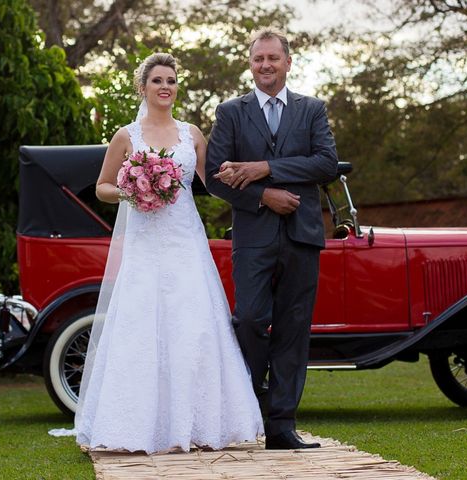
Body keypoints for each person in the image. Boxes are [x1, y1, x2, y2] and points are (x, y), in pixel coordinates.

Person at [72, 53, 263, 453]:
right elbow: (103, 186)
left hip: (185, 239)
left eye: (172, 80)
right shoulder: (127, 136)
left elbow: (213, 182)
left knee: (193, 325)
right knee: (141, 328)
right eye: (157, 80)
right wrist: (131, 190)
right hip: (145, 242)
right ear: (143, 88)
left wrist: (255, 182)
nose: (166, 86)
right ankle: (135, 426)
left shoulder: (192, 133)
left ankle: (199, 423)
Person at [205, 29, 338, 450]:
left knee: (293, 330)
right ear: (251, 63)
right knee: (248, 319)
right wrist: (264, 196)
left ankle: (281, 426)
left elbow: (326, 163)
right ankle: (252, 402)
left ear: (288, 62)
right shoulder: (230, 112)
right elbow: (215, 178)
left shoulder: (312, 109)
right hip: (253, 237)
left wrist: (264, 168)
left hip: (302, 238)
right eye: (259, 58)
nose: (265, 65)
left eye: (273, 59)